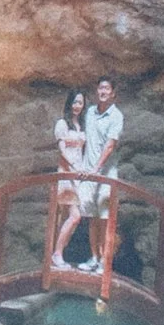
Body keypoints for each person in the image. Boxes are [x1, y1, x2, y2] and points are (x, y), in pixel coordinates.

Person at [80, 78, 125, 277]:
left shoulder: (116, 116)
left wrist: (96, 169)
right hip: (88, 174)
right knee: (92, 218)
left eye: (107, 88)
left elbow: (110, 145)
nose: (103, 91)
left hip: (105, 174)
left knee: (106, 219)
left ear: (113, 93)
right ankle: (93, 258)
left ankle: (104, 262)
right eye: (100, 88)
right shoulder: (90, 112)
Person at [50, 90, 93, 270]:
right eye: (75, 102)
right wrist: (74, 168)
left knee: (70, 218)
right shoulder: (62, 124)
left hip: (79, 175)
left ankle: (57, 252)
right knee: (74, 216)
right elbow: (62, 150)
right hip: (67, 174)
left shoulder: (81, 125)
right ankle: (57, 253)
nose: (77, 106)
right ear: (69, 103)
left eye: (80, 103)